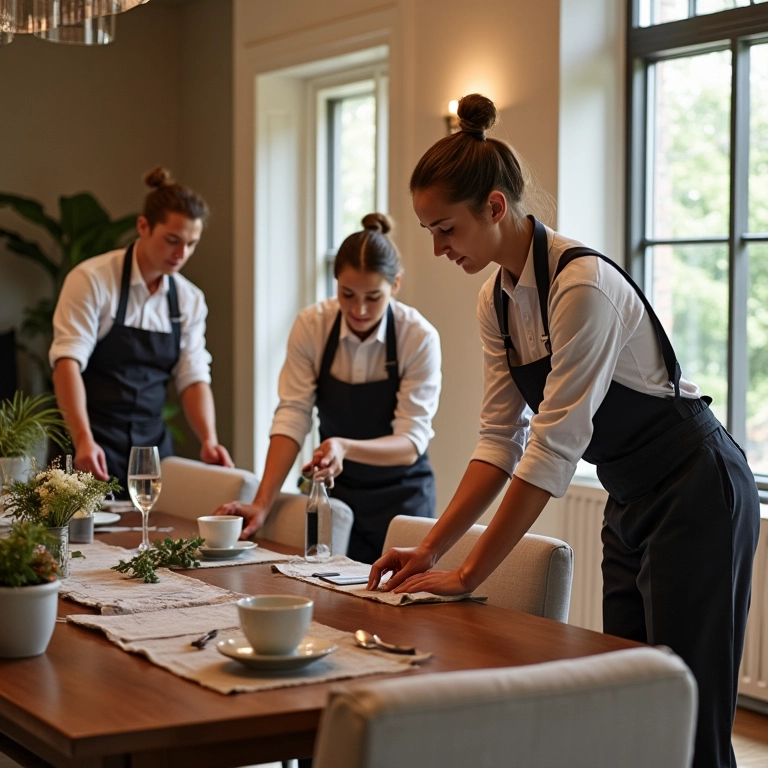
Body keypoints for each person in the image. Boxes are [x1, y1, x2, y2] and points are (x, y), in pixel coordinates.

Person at [367, 94, 759, 768]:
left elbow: (552, 448)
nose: (436, 250)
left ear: (494, 207)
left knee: (688, 717)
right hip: (631, 497)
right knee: (632, 701)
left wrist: (467, 572)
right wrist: (432, 550)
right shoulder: (496, 299)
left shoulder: (583, 286)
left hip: (698, 490)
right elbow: (499, 441)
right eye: (429, 231)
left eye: (446, 229)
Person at [214, 213, 441, 564]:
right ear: (334, 282)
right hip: (334, 496)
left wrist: (343, 447)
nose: (359, 309)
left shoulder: (418, 336)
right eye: (347, 294)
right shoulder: (312, 326)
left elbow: (410, 443)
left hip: (404, 500)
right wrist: (262, 503)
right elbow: (293, 415)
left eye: (373, 297)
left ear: (396, 284)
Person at [50, 166, 233, 490]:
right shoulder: (92, 280)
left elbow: (192, 376)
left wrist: (208, 439)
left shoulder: (189, 299)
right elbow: (67, 363)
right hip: (90, 444)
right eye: (173, 240)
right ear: (143, 226)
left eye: (191, 244)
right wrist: (83, 440)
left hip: (152, 453)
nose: (181, 254)